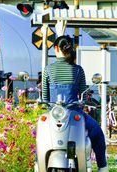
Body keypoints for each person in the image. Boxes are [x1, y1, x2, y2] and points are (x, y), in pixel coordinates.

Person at [42, 35, 108, 171]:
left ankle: (40, 164)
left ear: (56, 48)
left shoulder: (48, 70)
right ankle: (102, 167)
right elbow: (83, 97)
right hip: (74, 114)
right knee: (97, 133)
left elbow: (45, 98)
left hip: (54, 116)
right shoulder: (78, 70)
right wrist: (81, 103)